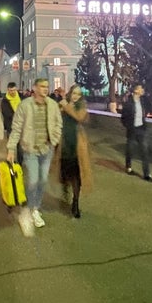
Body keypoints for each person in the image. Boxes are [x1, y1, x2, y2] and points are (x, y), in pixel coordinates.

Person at [6, 77, 62, 235]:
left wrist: (55, 139)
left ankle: (35, 207)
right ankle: (30, 210)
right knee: (33, 180)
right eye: (42, 86)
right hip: (30, 149)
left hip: (47, 149)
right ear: (35, 88)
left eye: (47, 86)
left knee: (43, 180)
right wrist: (11, 148)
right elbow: (16, 128)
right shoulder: (25, 105)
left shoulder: (52, 105)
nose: (45, 89)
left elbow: (58, 123)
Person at [54, 84, 92, 218]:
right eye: (74, 93)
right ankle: (65, 187)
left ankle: (75, 203)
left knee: (77, 176)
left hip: (77, 145)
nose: (76, 96)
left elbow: (79, 117)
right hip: (64, 144)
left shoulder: (80, 107)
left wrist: (65, 103)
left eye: (78, 94)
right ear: (71, 93)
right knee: (65, 173)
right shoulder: (63, 105)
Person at [120, 84, 152, 182]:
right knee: (130, 150)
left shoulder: (143, 101)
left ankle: (147, 174)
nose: (142, 90)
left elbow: (148, 109)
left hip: (141, 129)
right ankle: (128, 166)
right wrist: (129, 126)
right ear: (135, 90)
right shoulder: (128, 103)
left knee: (144, 151)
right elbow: (123, 118)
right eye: (140, 88)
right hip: (132, 130)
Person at [1, 82, 23, 163]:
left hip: (21, 126)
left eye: (14, 90)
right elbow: (6, 113)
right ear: (8, 90)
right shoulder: (5, 100)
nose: (12, 92)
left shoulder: (21, 97)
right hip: (11, 126)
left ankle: (20, 163)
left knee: (20, 147)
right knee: (11, 146)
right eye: (10, 90)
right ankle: (11, 163)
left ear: (16, 89)